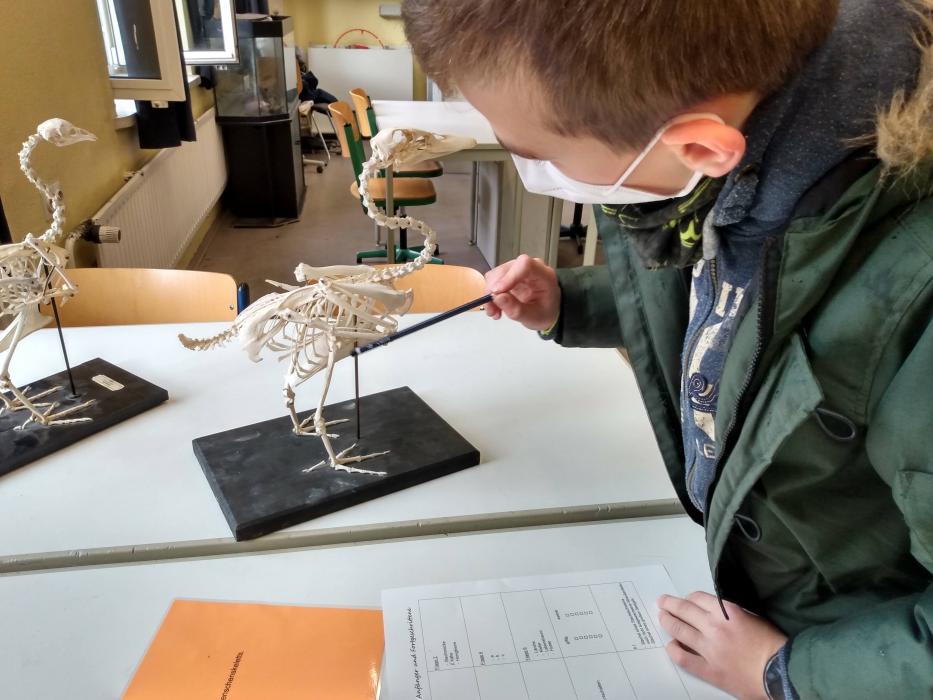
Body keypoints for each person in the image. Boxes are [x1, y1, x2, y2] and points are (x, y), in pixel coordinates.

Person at [401, 1, 933, 698]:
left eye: (541, 156)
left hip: (846, 645)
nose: (540, 174)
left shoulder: (910, 289)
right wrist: (571, 303)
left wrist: (785, 674)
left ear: (700, 149)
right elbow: (737, 311)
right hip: (757, 577)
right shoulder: (754, 150)